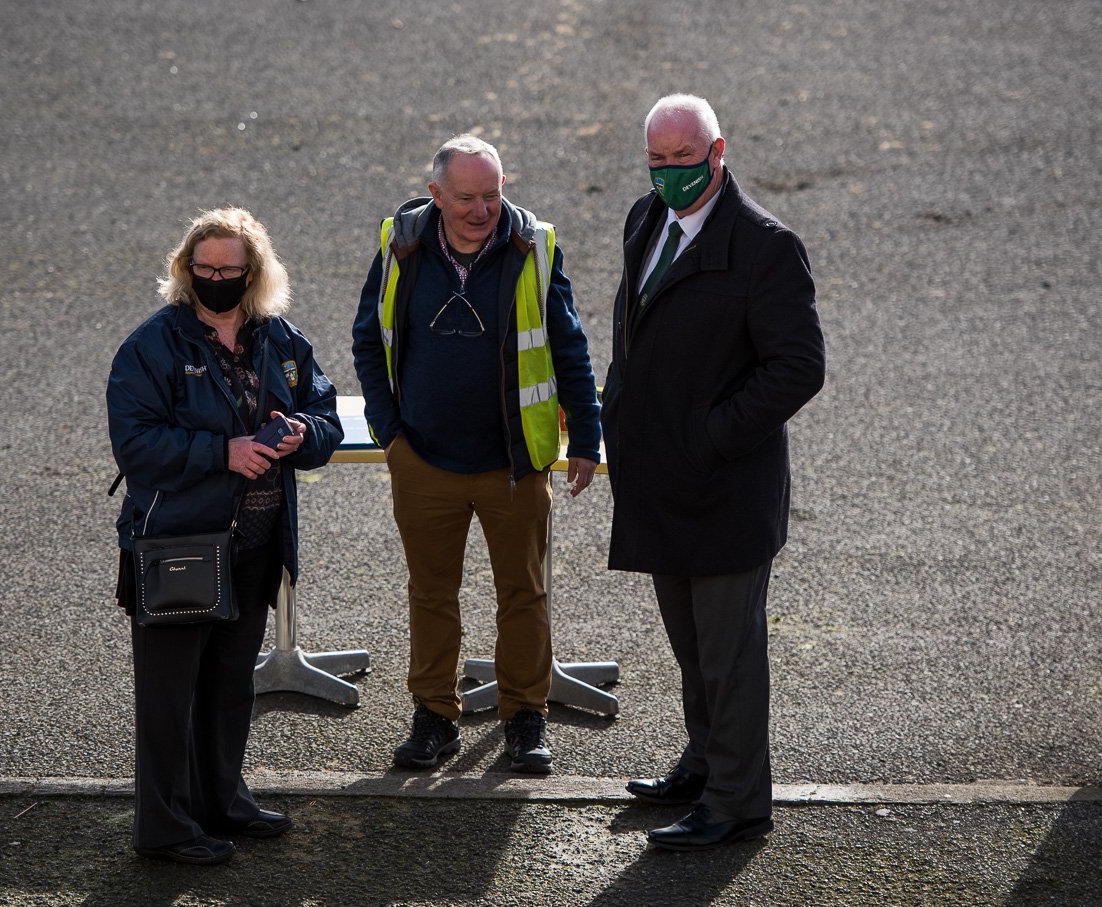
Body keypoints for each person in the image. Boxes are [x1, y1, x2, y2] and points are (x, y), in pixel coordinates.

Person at [602, 95, 825, 851]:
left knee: (730, 658)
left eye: (683, 159)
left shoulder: (766, 245)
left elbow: (799, 366)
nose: (669, 175)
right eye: (657, 161)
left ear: (718, 151)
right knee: (692, 648)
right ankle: (703, 765)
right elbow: (632, 329)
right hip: (663, 483)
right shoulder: (644, 219)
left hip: (724, 489)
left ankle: (736, 801)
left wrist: (711, 437)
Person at [352, 135, 601, 774]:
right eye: (466, 197)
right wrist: (390, 433)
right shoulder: (400, 245)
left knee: (524, 593)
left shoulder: (534, 248)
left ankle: (525, 719)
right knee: (432, 593)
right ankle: (434, 717)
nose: (481, 209)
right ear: (436, 195)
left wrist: (588, 441)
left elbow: (569, 348)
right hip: (424, 461)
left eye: (492, 194)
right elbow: (367, 339)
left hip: (514, 465)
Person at [107, 207, 343, 864]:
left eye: (228, 271)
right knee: (168, 698)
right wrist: (223, 452)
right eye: (203, 269)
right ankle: (163, 825)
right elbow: (136, 445)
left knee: (229, 685)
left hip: (254, 546)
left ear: (253, 273)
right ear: (186, 270)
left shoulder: (282, 339)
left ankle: (223, 801)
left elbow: (325, 418)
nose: (215, 280)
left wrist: (302, 434)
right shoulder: (152, 346)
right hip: (179, 545)